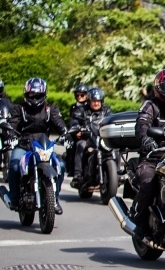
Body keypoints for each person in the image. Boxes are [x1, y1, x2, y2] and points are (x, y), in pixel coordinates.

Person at [130, 69, 165, 239]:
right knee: (149, 182)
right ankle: (138, 222)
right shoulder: (150, 105)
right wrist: (146, 140)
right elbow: (142, 125)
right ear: (159, 88)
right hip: (154, 157)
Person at [6, 78, 68, 214]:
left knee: (61, 166)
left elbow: (60, 125)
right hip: (24, 145)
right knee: (15, 165)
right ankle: (14, 198)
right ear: (26, 94)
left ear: (44, 94)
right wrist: (10, 137)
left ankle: (54, 199)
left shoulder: (50, 109)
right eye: (31, 94)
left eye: (37, 95)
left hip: (43, 146)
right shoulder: (19, 109)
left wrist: (66, 135)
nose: (34, 98)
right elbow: (11, 126)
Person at [70, 87, 112, 188]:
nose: (96, 103)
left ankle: (117, 173)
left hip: (103, 139)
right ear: (89, 101)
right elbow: (74, 120)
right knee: (80, 144)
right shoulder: (82, 110)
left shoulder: (106, 111)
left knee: (116, 148)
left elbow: (112, 119)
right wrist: (77, 128)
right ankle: (78, 175)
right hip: (88, 139)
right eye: (94, 101)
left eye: (98, 101)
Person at [66, 84, 90, 177]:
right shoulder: (73, 107)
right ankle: (72, 168)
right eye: (77, 95)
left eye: (82, 95)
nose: (80, 97)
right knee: (70, 141)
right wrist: (76, 130)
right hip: (79, 131)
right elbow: (73, 120)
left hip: (91, 132)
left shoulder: (89, 106)